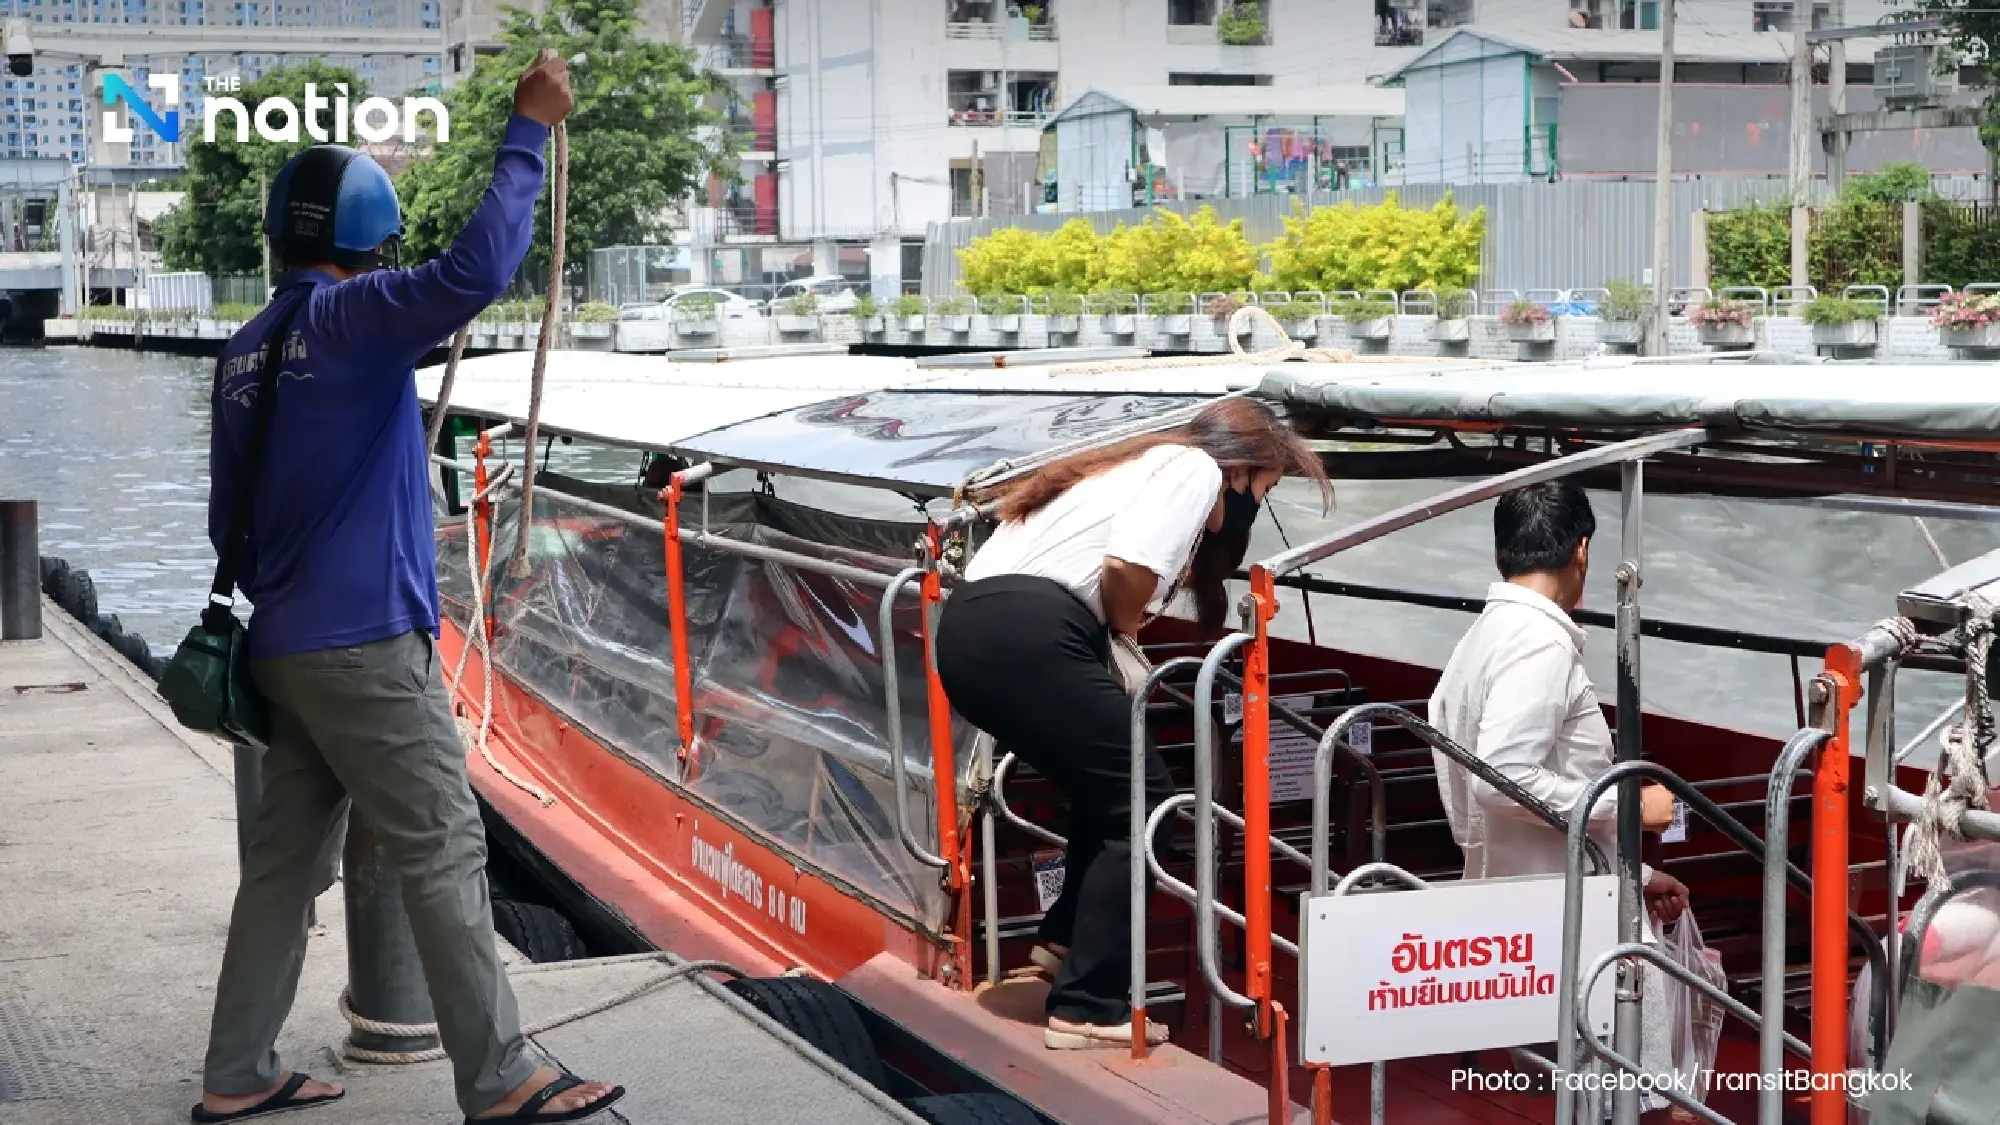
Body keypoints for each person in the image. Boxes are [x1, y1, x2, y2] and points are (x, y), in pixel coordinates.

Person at [196, 53, 624, 1125]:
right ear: (366, 244)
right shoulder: (356, 321)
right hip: (364, 646)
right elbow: (478, 267)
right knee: (443, 845)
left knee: (282, 873)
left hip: (280, 647)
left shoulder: (247, 348)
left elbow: (224, 526)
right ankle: (500, 1078)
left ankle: (237, 1073)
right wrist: (526, 131)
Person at [935, 397, 1330, 1050]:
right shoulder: (1195, 467)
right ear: (1244, 471)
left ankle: (1061, 952)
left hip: (975, 631)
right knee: (1147, 798)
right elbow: (1125, 568)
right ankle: (1089, 1004)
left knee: (1109, 786)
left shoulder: (1125, 464)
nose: (1258, 503)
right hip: (1033, 632)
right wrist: (1123, 621)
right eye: (1268, 487)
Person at [1427, 480, 1688, 1104]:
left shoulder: (1481, 639)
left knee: (1578, 1086)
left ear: (1501, 557)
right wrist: (1631, 808)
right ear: (1583, 552)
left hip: (1522, 899)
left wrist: (1639, 872)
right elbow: (1504, 778)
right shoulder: (1539, 642)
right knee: (1627, 1087)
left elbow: (1495, 793)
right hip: (1570, 920)